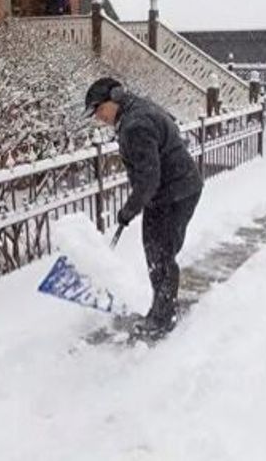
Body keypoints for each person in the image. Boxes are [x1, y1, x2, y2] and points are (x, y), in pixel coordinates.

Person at [84, 77, 203, 338]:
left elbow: (149, 178)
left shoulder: (135, 125)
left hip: (172, 193)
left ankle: (162, 319)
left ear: (114, 98)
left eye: (99, 109)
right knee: (160, 253)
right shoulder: (137, 109)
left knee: (160, 256)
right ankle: (164, 309)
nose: (98, 117)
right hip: (179, 188)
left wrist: (128, 210)